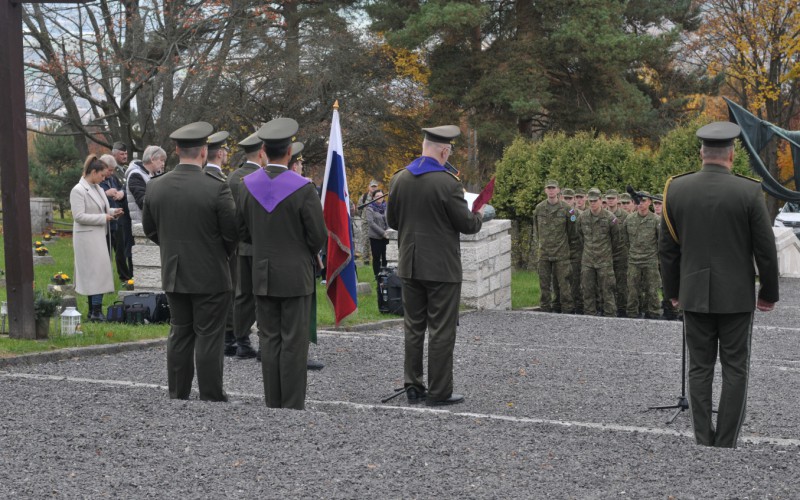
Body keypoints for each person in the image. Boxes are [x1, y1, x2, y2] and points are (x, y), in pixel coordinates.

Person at [659, 121, 779, 448]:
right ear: (731, 155)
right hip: (737, 297)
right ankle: (725, 442)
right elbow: (765, 251)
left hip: (694, 295)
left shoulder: (676, 189)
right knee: (735, 369)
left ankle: (702, 438)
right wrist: (768, 293)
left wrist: (672, 292)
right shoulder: (749, 191)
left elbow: (667, 250)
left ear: (702, 153)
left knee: (699, 369)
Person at [386, 125, 484, 406]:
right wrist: (480, 214)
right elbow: (466, 225)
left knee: (413, 327)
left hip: (410, 265)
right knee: (441, 330)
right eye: (448, 151)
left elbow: (393, 222)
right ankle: (440, 391)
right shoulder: (448, 183)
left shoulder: (399, 179)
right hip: (441, 268)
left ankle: (413, 386)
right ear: (444, 150)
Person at [142, 122, 237, 402]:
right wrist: (219, 254)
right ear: (204, 152)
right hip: (211, 274)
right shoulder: (216, 189)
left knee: (180, 333)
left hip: (175, 272)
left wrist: (174, 249)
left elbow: (151, 230)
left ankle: (178, 392)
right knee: (209, 335)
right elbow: (232, 234)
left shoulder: (156, 187)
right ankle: (210, 394)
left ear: (176, 150)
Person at [236, 118, 327, 409]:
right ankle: (292, 402)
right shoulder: (303, 188)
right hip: (296, 274)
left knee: (269, 338)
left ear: (263, 150)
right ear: (289, 152)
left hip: (262, 272)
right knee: (294, 340)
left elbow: (242, 230)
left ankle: (272, 400)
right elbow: (318, 236)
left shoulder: (246, 186)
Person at [70, 155, 123, 321]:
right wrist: (103, 218)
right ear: (93, 172)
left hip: (99, 236)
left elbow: (101, 209)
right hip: (86, 238)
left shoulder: (98, 188)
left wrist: (113, 213)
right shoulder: (78, 190)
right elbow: (79, 216)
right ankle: (95, 311)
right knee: (94, 274)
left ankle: (95, 311)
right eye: (101, 175)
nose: (103, 179)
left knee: (99, 272)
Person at [227, 132, 263, 360]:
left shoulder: (233, 178)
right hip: (263, 246)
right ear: (262, 153)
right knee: (264, 296)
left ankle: (241, 340)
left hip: (241, 246)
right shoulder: (264, 178)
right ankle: (265, 340)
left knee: (243, 295)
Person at [533, 180, 579, 313]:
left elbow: (572, 232)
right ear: (545, 190)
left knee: (564, 285)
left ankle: (567, 310)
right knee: (544, 284)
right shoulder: (539, 208)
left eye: (554, 188)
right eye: (549, 188)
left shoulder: (567, 209)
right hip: (545, 254)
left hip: (561, 254)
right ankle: (545, 309)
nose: (551, 191)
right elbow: (537, 229)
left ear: (558, 190)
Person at [578, 188, 621, 316]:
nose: (592, 203)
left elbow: (616, 239)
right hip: (588, 260)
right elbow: (580, 236)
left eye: (595, 200)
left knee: (607, 290)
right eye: (590, 201)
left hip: (604, 261)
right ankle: (589, 314)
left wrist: (606, 252)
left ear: (601, 201)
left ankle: (610, 315)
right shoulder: (582, 217)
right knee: (587, 289)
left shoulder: (610, 218)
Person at [622, 193, 660, 319]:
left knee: (652, 290)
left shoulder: (656, 220)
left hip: (650, 260)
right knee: (632, 290)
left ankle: (654, 314)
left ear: (649, 202)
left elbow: (661, 241)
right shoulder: (629, 219)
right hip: (634, 260)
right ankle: (632, 313)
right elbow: (625, 240)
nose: (641, 203)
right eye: (638, 201)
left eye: (644, 201)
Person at [111, 141, 134, 282]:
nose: (125, 156)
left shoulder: (125, 170)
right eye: (122, 154)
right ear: (114, 155)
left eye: (126, 153)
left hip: (127, 213)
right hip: (118, 213)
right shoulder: (113, 173)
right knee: (120, 247)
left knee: (127, 245)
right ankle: (124, 276)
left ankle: (129, 274)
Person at [126, 145, 166, 223]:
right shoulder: (135, 175)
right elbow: (143, 202)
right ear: (152, 159)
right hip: (142, 225)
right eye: (161, 160)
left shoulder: (154, 174)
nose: (163, 164)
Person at [606, 189, 628, 316]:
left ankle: (622, 308)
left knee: (621, 283)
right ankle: (609, 307)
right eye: (608, 198)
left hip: (620, 254)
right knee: (607, 283)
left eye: (613, 198)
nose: (610, 200)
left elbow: (627, 235)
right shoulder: (603, 214)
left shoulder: (625, 216)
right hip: (605, 254)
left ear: (617, 199)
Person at [366, 189, 389, 279]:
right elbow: (371, 223)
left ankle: (386, 274)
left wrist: (388, 231)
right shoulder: (370, 208)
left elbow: (390, 219)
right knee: (376, 257)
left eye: (381, 196)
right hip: (376, 237)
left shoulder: (387, 206)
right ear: (373, 198)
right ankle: (377, 275)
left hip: (387, 236)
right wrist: (383, 233)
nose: (380, 198)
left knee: (386, 256)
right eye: (377, 196)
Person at [358, 180, 380, 264]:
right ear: (369, 187)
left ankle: (377, 259)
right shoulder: (364, 197)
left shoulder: (379, 196)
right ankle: (366, 260)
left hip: (377, 223)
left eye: (375, 187)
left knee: (376, 242)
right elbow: (359, 209)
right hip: (366, 223)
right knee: (366, 241)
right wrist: (364, 218)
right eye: (372, 186)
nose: (374, 188)